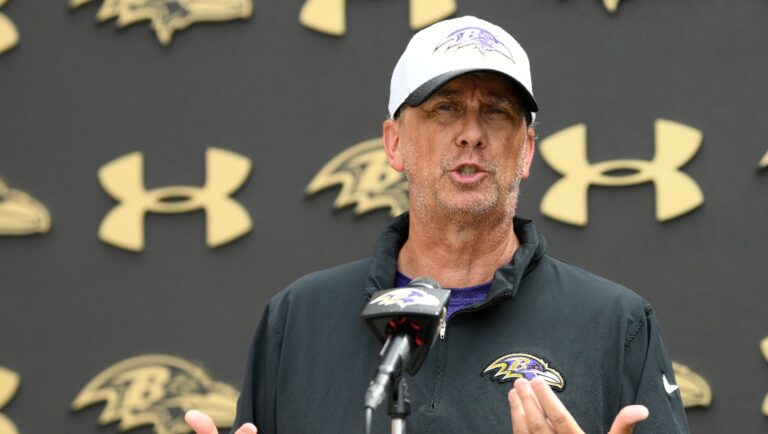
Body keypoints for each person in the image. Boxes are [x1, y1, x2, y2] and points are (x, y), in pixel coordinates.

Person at [186, 15, 689, 434]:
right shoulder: (297, 320)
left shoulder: (617, 324)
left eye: (495, 111)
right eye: (445, 109)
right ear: (394, 142)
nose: (471, 133)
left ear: (527, 150)